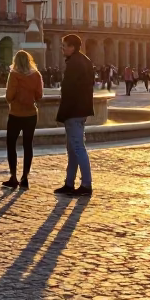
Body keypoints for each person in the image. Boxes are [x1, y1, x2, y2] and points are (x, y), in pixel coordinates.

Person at [55, 33, 94, 197]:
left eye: (64, 45)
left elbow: (68, 92)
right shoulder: (85, 61)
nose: (62, 48)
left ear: (72, 47)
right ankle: (69, 183)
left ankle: (86, 184)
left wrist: (61, 115)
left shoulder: (74, 64)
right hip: (82, 110)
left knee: (77, 147)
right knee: (72, 148)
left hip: (74, 111)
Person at [3, 49, 43, 189]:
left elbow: (9, 96)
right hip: (31, 114)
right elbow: (39, 95)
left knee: (11, 144)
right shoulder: (36, 75)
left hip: (15, 114)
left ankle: (13, 176)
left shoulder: (14, 75)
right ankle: (25, 177)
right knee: (28, 145)